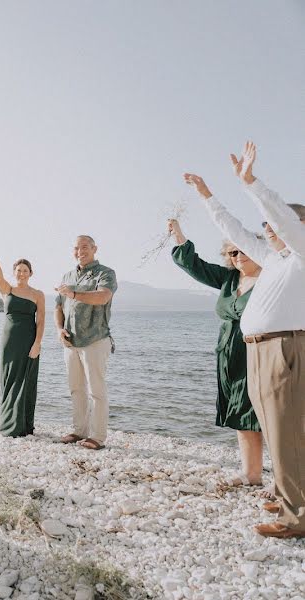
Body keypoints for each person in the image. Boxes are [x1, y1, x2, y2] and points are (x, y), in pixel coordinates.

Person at [186, 141, 305, 539]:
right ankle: (290, 495)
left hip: (282, 348)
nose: (268, 231)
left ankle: (296, 517)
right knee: (275, 429)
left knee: (287, 430)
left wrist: (251, 182)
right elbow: (233, 230)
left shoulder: (302, 253)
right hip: (257, 349)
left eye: (276, 227)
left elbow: (283, 221)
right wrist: (207, 196)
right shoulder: (275, 261)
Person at [168, 219, 264, 490]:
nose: (238, 256)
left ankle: (287, 479)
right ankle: (251, 474)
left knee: (269, 415)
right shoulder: (228, 279)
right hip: (228, 353)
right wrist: (179, 236)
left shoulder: (271, 277)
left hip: (258, 351)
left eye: (243, 249)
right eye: (233, 252)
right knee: (240, 412)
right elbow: (194, 266)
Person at [55, 235, 118, 451]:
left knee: (96, 390)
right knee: (76, 389)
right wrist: (59, 329)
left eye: (84, 247)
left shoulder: (105, 273)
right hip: (71, 342)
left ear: (94, 249)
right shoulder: (67, 275)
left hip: (95, 339)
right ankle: (78, 431)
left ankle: (97, 437)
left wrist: (73, 293)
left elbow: (102, 297)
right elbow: (58, 306)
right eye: (76, 248)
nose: (80, 251)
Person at [0, 237, 45, 437]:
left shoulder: (38, 294)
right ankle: (8, 422)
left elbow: (41, 321)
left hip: (28, 341)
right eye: (18, 270)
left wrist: (37, 344)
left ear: (30, 273)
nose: (21, 273)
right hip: (9, 342)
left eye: (25, 270)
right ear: (14, 273)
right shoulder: (7, 289)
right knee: (9, 379)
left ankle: (24, 425)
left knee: (26, 380)